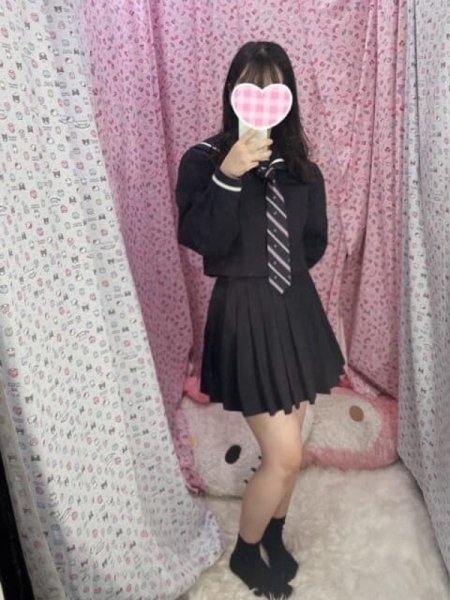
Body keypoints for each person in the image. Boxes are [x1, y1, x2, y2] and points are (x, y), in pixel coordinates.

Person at [176, 41, 345, 599]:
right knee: (285, 455)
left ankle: (273, 533)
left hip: (295, 311)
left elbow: (313, 242)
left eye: (275, 88)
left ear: (288, 98)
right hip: (244, 317)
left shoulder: (302, 170)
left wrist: (283, 280)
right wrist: (229, 175)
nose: (263, 98)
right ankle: (246, 552)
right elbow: (202, 239)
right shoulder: (204, 161)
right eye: (252, 86)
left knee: (289, 453)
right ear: (233, 92)